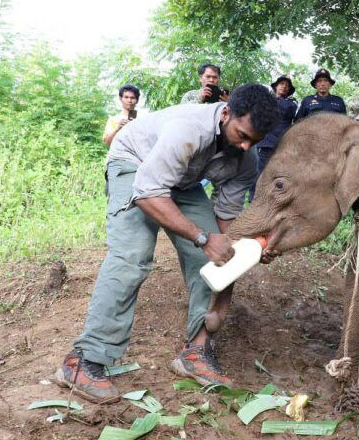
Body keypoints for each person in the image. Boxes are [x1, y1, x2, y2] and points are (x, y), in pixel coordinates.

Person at [55, 84, 279, 404]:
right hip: (135, 164)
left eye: (253, 142)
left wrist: (238, 250)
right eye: (242, 135)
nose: (245, 146)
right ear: (226, 113)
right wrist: (202, 237)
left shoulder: (246, 156)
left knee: (213, 263)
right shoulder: (187, 129)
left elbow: (226, 219)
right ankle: (84, 362)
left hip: (183, 181)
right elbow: (147, 192)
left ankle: (196, 353)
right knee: (132, 257)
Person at [248, 74, 298, 201]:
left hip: (282, 145)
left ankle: (273, 200)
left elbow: (285, 109)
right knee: (259, 174)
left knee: (278, 175)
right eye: (282, 84)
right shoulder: (265, 100)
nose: (284, 87)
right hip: (264, 143)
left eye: (287, 86)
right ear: (276, 86)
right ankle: (254, 199)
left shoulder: (291, 104)